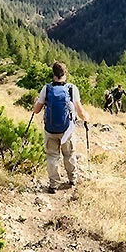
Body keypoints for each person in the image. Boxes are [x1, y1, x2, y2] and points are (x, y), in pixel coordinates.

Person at [33, 61, 89, 193]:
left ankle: (53, 184)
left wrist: (37, 101)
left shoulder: (46, 88)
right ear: (65, 73)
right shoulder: (71, 89)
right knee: (69, 154)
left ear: (53, 74)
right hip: (66, 130)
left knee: (52, 156)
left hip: (50, 129)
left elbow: (36, 110)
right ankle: (72, 179)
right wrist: (86, 117)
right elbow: (80, 112)